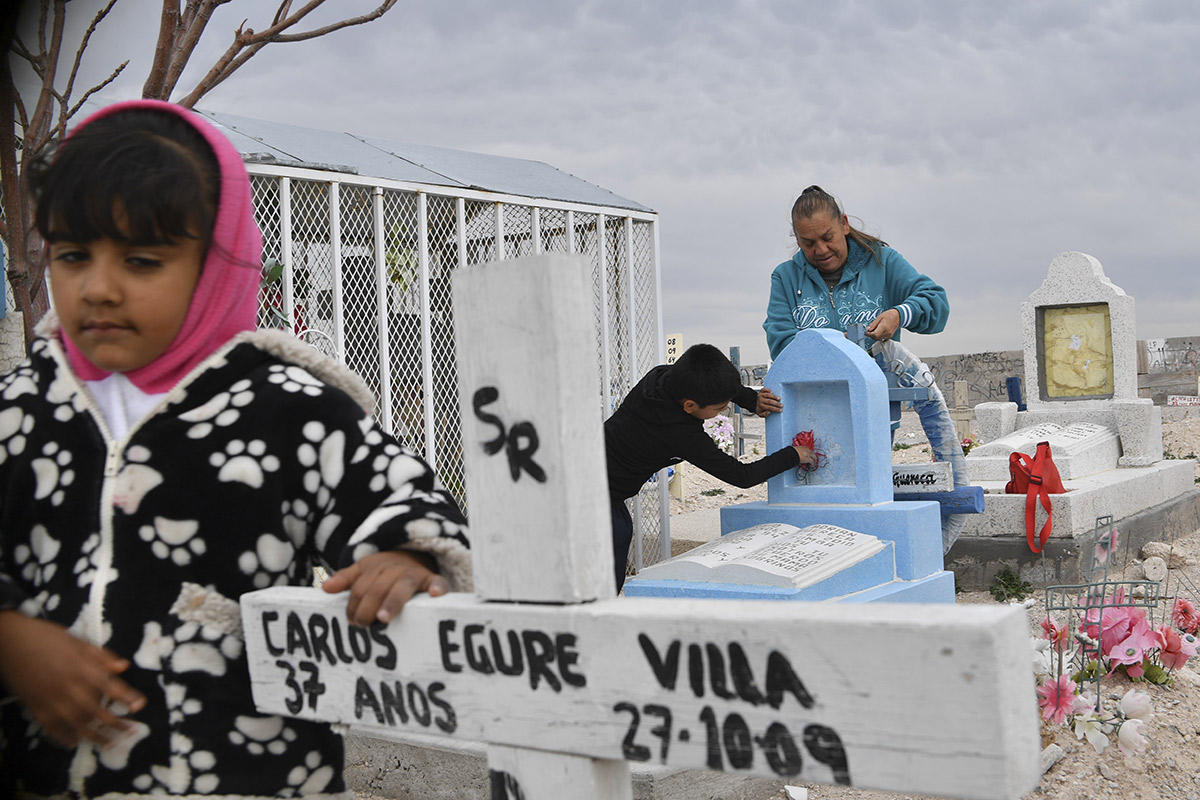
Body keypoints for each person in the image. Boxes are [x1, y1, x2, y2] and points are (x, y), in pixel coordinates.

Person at [0, 100, 471, 799]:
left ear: (219, 265)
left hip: (250, 774)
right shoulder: (19, 409)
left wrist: (405, 555)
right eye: (73, 255)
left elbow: (406, 498)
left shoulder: (287, 408)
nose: (98, 287)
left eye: (141, 259)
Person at [605, 343, 816, 590]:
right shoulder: (679, 434)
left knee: (616, 545)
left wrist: (752, 399)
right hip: (597, 499)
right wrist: (792, 455)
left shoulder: (661, 377)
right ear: (689, 407)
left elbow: (713, 382)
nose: (724, 410)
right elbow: (741, 476)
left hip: (597, 476)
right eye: (718, 408)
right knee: (607, 565)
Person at [763, 185, 949, 360]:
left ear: (844, 224)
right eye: (808, 243)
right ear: (797, 240)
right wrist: (835, 345)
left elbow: (936, 303)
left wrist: (899, 314)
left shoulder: (883, 262)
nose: (821, 250)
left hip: (877, 391)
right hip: (813, 393)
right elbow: (780, 346)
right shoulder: (785, 278)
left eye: (828, 237)